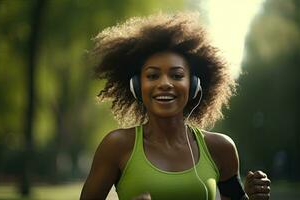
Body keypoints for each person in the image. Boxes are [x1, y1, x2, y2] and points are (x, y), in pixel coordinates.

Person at [80, 12, 271, 200]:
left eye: (177, 75)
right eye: (153, 76)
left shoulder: (221, 148)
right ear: (137, 86)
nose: (164, 83)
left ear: (194, 84)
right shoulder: (116, 146)